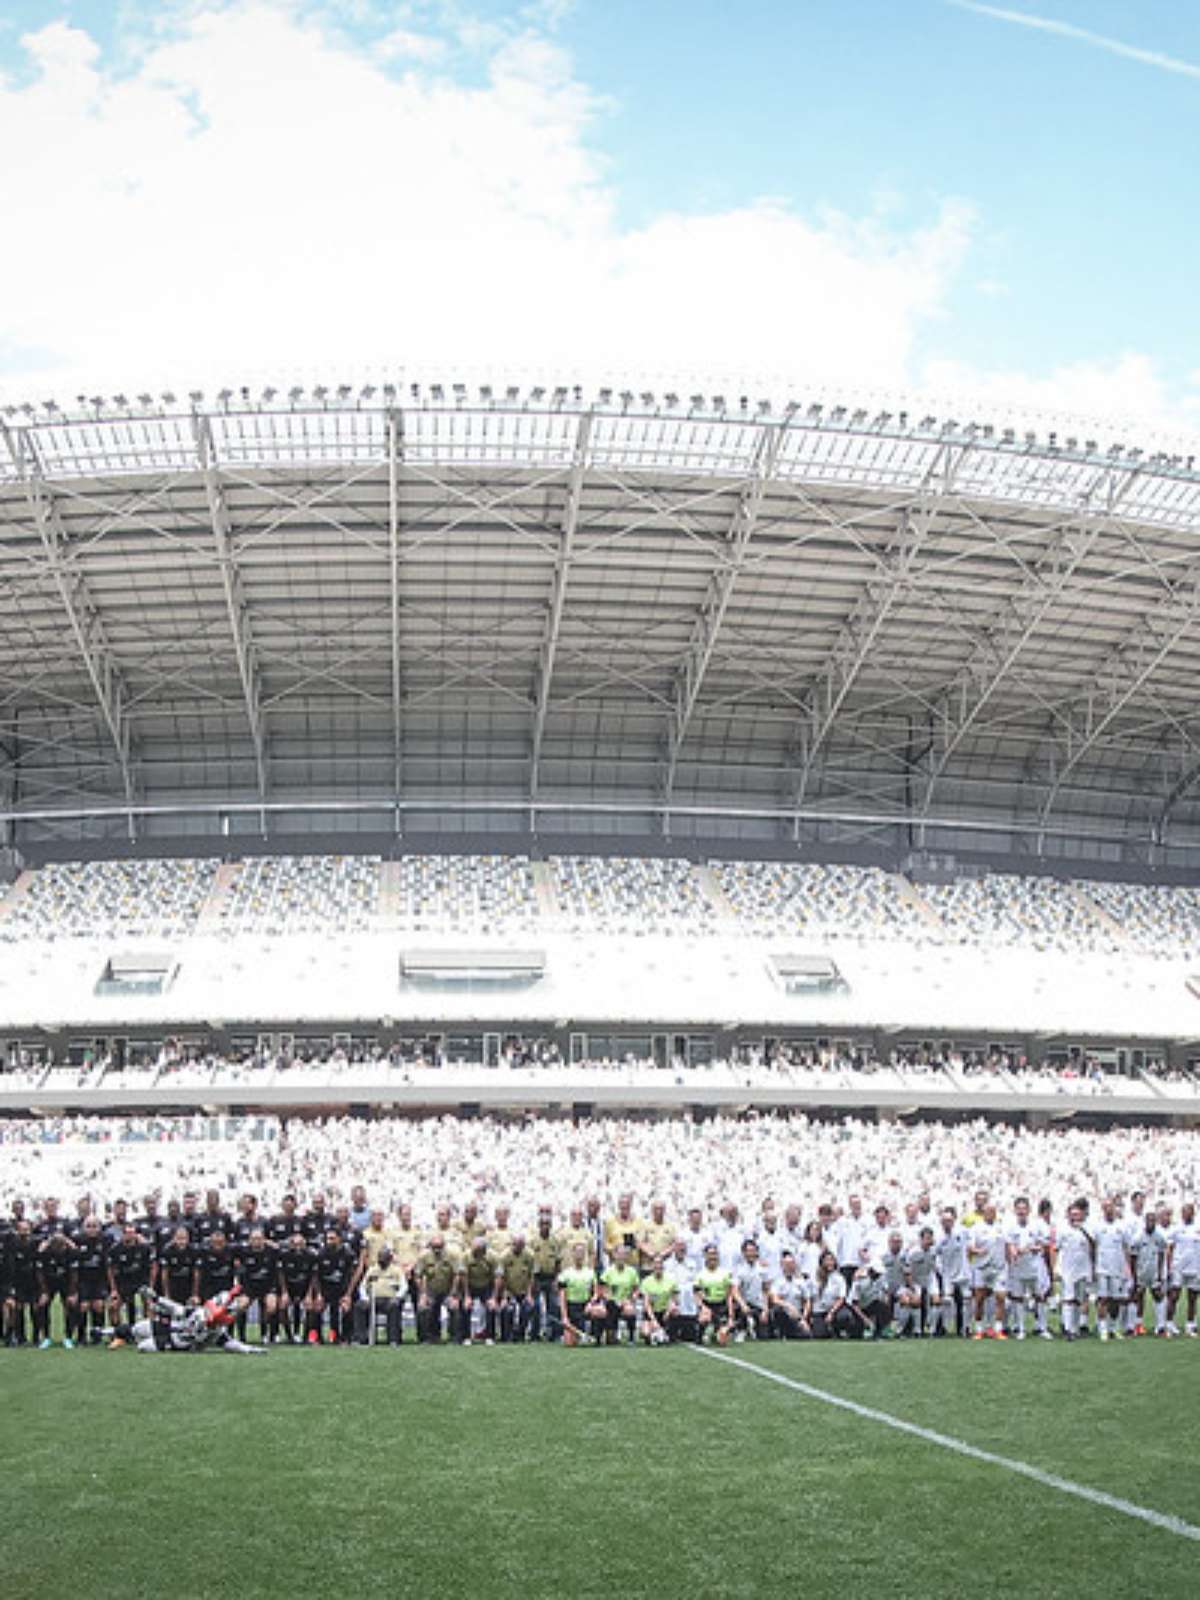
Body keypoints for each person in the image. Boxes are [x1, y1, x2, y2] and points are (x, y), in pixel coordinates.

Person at [109, 1285, 264, 1355]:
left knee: (143, 1347)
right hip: (172, 1327)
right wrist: (156, 1298)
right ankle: (110, 1333)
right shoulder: (198, 1312)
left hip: (176, 1342)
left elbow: (232, 1344)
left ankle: (127, 1339)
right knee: (138, 1328)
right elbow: (177, 1309)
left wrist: (250, 1349)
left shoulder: (216, 1332)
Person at [967, 1200, 1008, 1340]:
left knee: (1000, 1297)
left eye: (993, 1212)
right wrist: (978, 1251)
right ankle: (979, 1328)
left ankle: (998, 1328)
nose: (991, 1214)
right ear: (983, 1213)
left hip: (999, 1267)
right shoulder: (976, 1228)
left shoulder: (1001, 1227)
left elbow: (1007, 1245)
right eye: (988, 1211)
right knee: (979, 1299)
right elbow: (970, 1247)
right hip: (981, 1267)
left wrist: (1010, 1258)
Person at [1056, 1201, 1095, 1341]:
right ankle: (1067, 1328)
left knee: (1080, 1299)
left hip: (1084, 1268)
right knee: (1068, 1299)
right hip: (1068, 1269)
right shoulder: (1063, 1230)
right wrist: (1057, 1268)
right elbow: (1056, 1248)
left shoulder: (1088, 1228)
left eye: (1077, 1214)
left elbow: (1093, 1245)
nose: (1074, 1217)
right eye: (1072, 1214)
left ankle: (1075, 1327)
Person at [1094, 1198, 1132, 1341]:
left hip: (1118, 1269)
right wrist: (1094, 1267)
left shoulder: (1122, 1227)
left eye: (1110, 1207)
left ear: (1115, 1209)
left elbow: (1126, 1248)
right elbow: (1093, 1248)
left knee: (1116, 1300)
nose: (1108, 1210)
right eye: (1106, 1207)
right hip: (1102, 1268)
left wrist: (1128, 1268)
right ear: (1102, 1209)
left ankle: (1114, 1328)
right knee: (1103, 1298)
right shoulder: (1097, 1226)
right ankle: (1103, 1328)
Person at [354, 1247, 406, 1346]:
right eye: (380, 1258)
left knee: (394, 1307)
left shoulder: (397, 1270)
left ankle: (393, 1339)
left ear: (390, 1258)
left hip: (390, 1300)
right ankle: (361, 1338)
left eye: (385, 1258)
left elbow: (404, 1286)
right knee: (359, 1306)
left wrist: (397, 1297)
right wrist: (365, 1298)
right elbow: (362, 1286)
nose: (382, 1260)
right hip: (373, 1300)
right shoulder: (372, 1270)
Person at [415, 1234, 460, 1344]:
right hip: (430, 1290)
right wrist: (423, 1294)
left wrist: (453, 1294)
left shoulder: (452, 1256)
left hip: (447, 1290)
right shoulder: (423, 1257)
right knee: (423, 1308)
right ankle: (426, 1337)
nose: (437, 1250)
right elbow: (418, 1276)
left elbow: (457, 1275)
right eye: (434, 1247)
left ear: (444, 1246)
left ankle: (454, 1336)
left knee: (454, 1307)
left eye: (439, 1247)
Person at [495, 1233, 536, 1344]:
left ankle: (521, 1335)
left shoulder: (530, 1256)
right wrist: (503, 1296)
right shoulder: (504, 1256)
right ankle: (506, 1336)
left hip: (523, 1291)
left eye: (519, 1245)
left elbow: (531, 1276)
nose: (516, 1247)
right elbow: (500, 1277)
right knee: (507, 1310)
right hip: (508, 1291)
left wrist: (529, 1295)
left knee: (528, 1308)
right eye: (515, 1245)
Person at [557, 1240, 598, 1345]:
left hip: (585, 1306)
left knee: (600, 1311)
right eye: (577, 1252)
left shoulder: (590, 1272)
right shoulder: (565, 1274)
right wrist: (565, 1317)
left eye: (582, 1252)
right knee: (570, 1343)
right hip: (572, 1307)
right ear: (573, 1254)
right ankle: (579, 1335)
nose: (579, 1255)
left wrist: (591, 1303)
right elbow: (562, 1297)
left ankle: (595, 1335)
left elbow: (596, 1293)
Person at [598, 1244, 640, 1345]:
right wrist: (610, 1298)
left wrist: (632, 1299)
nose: (621, 1257)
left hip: (626, 1302)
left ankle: (631, 1337)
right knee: (611, 1306)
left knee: (630, 1310)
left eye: (624, 1254)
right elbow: (602, 1289)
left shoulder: (632, 1271)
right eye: (619, 1254)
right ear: (614, 1255)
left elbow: (636, 1289)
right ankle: (609, 1334)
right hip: (611, 1302)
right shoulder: (608, 1271)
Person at [730, 1238, 771, 1342]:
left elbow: (765, 1290)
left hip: (759, 1306)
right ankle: (741, 1330)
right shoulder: (739, 1270)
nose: (751, 1254)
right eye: (748, 1251)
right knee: (741, 1311)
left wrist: (765, 1310)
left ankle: (752, 1328)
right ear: (743, 1253)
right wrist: (743, 1305)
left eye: (753, 1251)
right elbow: (734, 1291)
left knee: (763, 1336)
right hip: (745, 1305)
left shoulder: (762, 1269)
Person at [694, 1243, 733, 1346]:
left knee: (723, 1340)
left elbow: (729, 1296)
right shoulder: (700, 1275)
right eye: (710, 1254)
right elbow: (697, 1295)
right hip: (707, 1305)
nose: (712, 1257)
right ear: (705, 1256)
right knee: (704, 1319)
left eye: (715, 1254)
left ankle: (717, 1331)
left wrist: (731, 1315)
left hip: (721, 1306)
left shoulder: (725, 1273)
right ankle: (703, 1331)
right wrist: (703, 1308)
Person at [769, 1251, 813, 1339]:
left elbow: (807, 1301)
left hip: (798, 1315)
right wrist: (788, 1306)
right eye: (786, 1264)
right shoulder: (777, 1281)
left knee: (806, 1336)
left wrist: (803, 1318)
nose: (789, 1267)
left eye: (791, 1264)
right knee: (777, 1310)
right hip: (784, 1314)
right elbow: (774, 1299)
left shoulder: (801, 1282)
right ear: (782, 1266)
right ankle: (781, 1333)